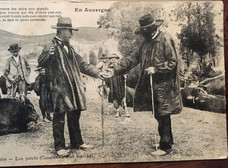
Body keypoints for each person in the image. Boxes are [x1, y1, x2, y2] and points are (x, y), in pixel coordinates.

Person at [102, 14, 182, 156]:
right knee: (158, 114)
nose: (143, 34)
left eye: (145, 31)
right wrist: (114, 70)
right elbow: (131, 60)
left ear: (152, 29)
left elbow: (172, 62)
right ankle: (167, 140)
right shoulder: (145, 43)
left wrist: (157, 69)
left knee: (163, 114)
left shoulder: (165, 39)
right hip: (152, 87)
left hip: (165, 87)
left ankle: (166, 146)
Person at [38, 17, 101, 157]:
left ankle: (77, 142)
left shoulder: (69, 48)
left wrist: (97, 73)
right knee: (59, 117)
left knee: (74, 115)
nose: (71, 35)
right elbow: (41, 61)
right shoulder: (51, 46)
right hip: (59, 89)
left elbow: (82, 64)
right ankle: (59, 146)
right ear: (61, 31)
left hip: (72, 89)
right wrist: (49, 54)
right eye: (69, 31)